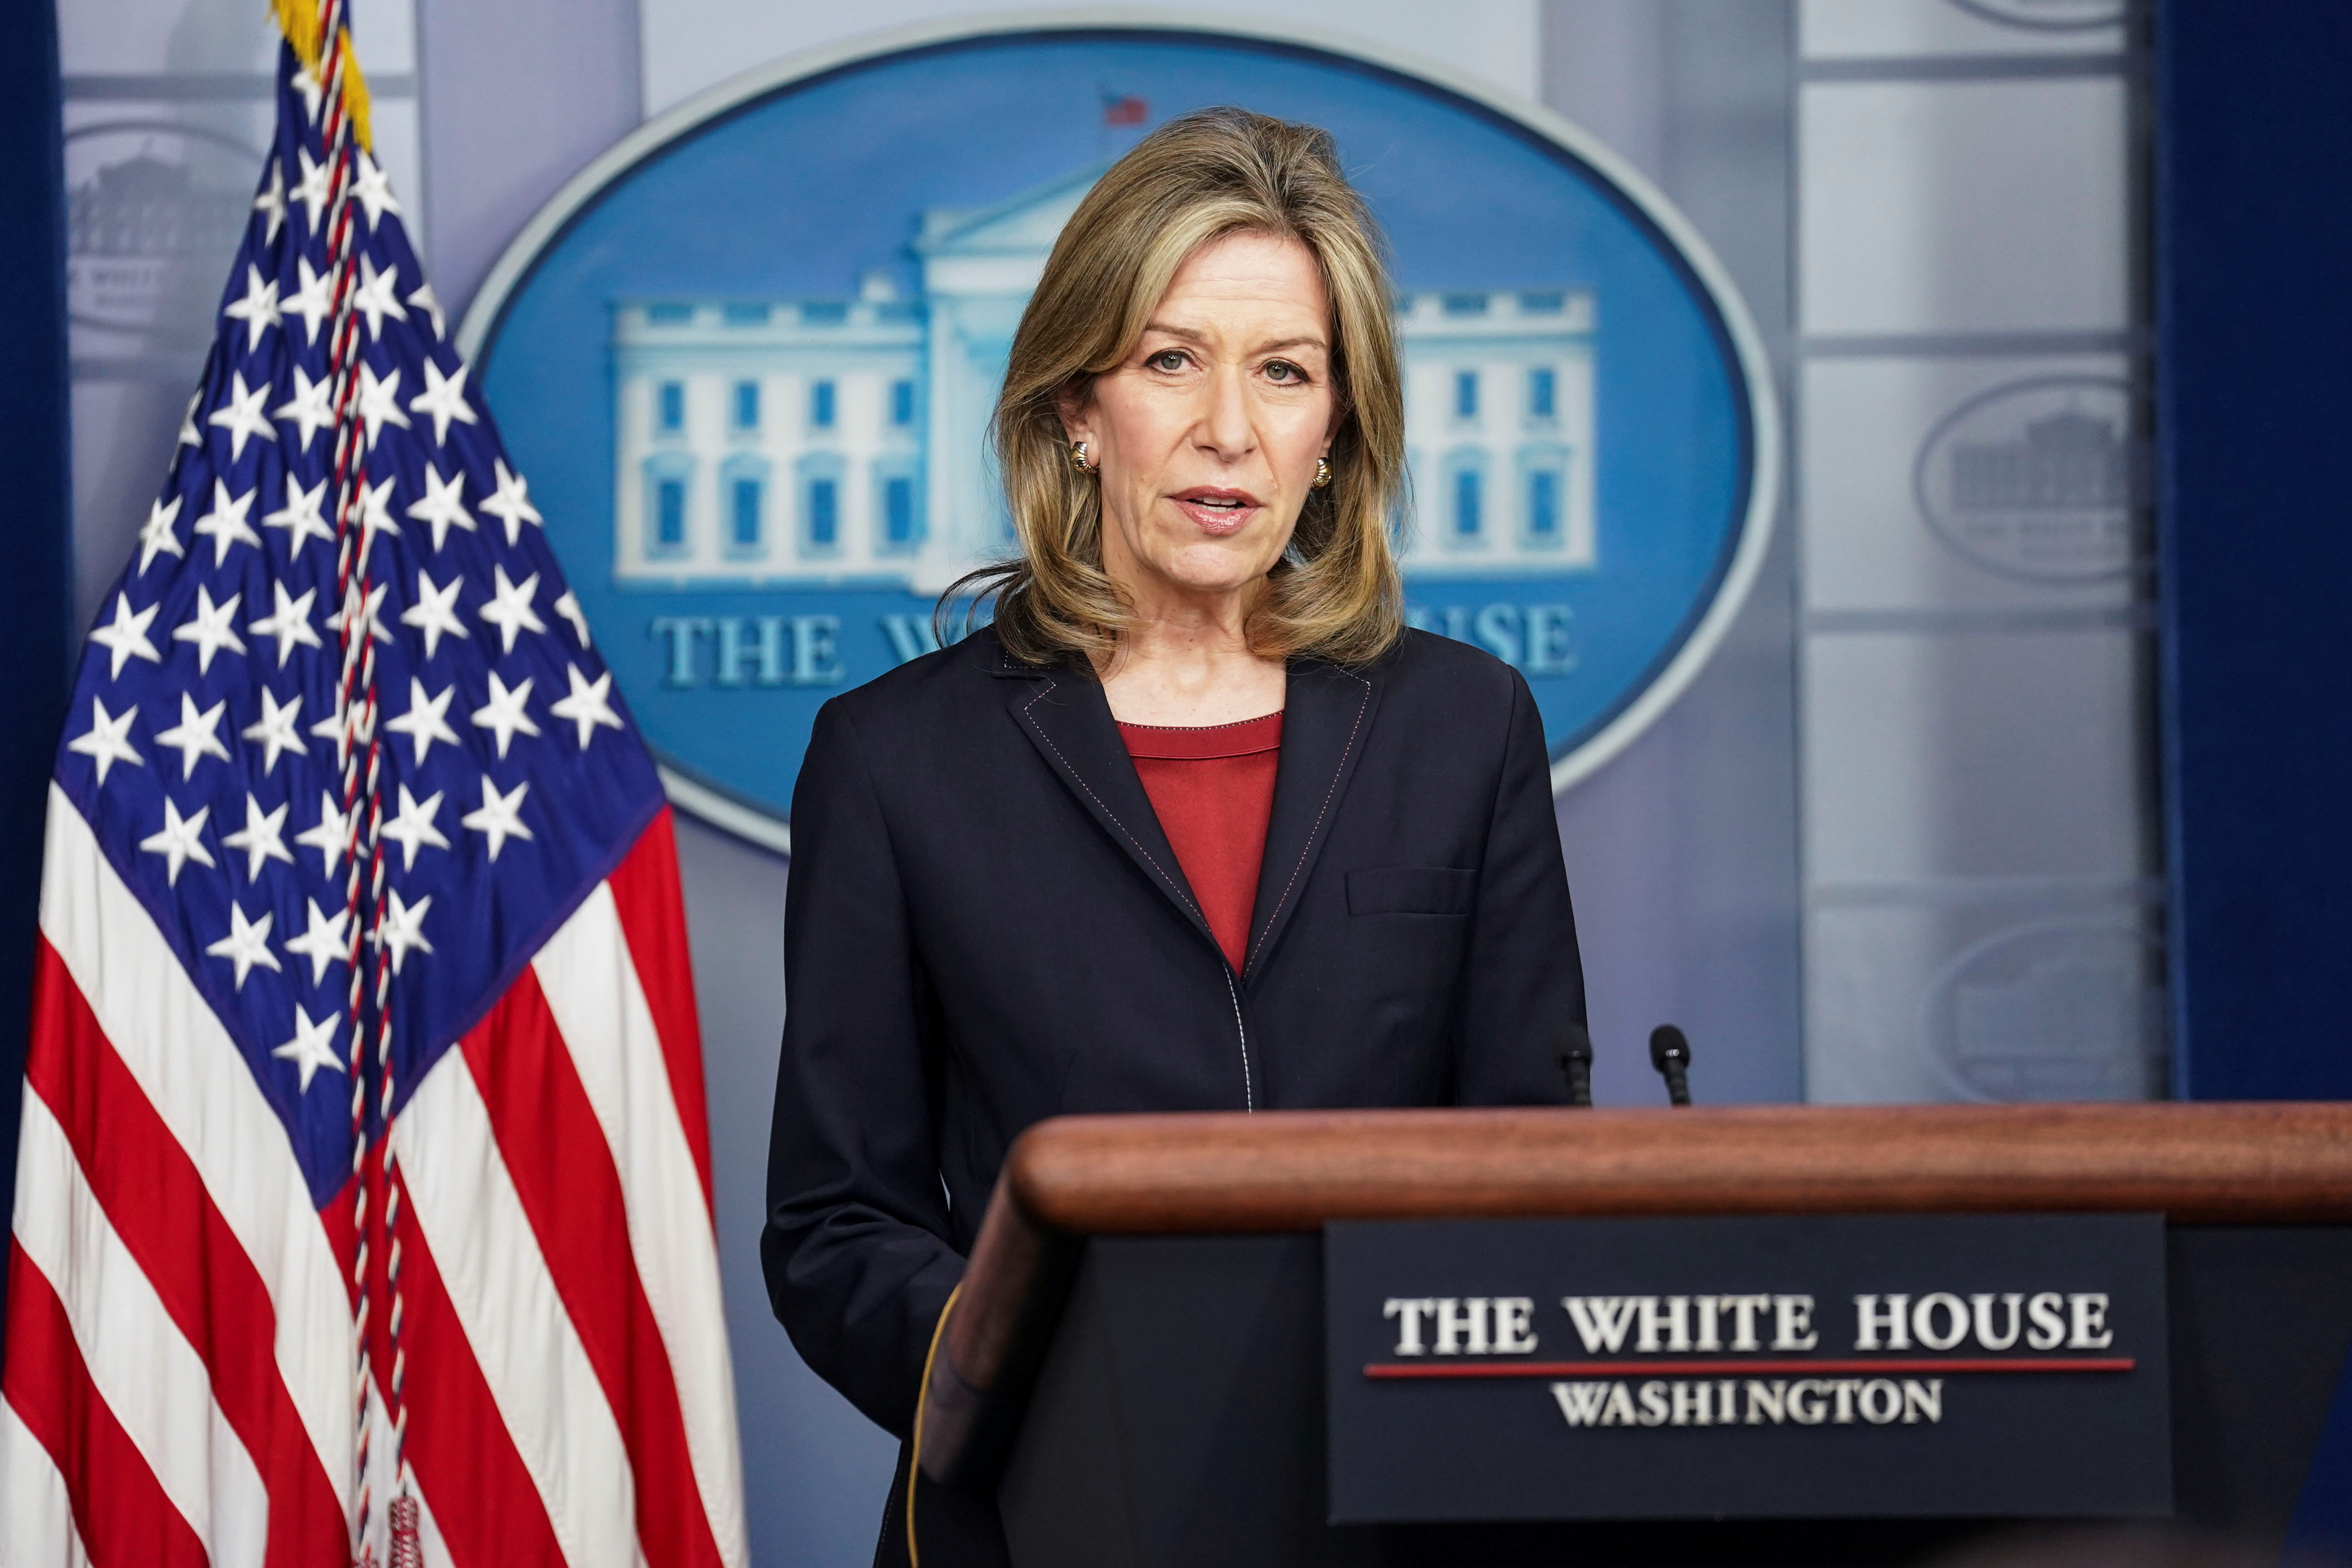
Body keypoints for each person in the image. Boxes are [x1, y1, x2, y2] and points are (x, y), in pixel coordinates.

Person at [763, 106, 1586, 1565]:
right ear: (1080, 408)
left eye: (1284, 372)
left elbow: (1531, 1160)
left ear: (1337, 432)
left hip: (1397, 1508)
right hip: (1042, 1513)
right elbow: (835, 1223)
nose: (1228, 430)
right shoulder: (894, 760)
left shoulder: (1468, 727)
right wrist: (1019, 1366)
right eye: (1171, 360)